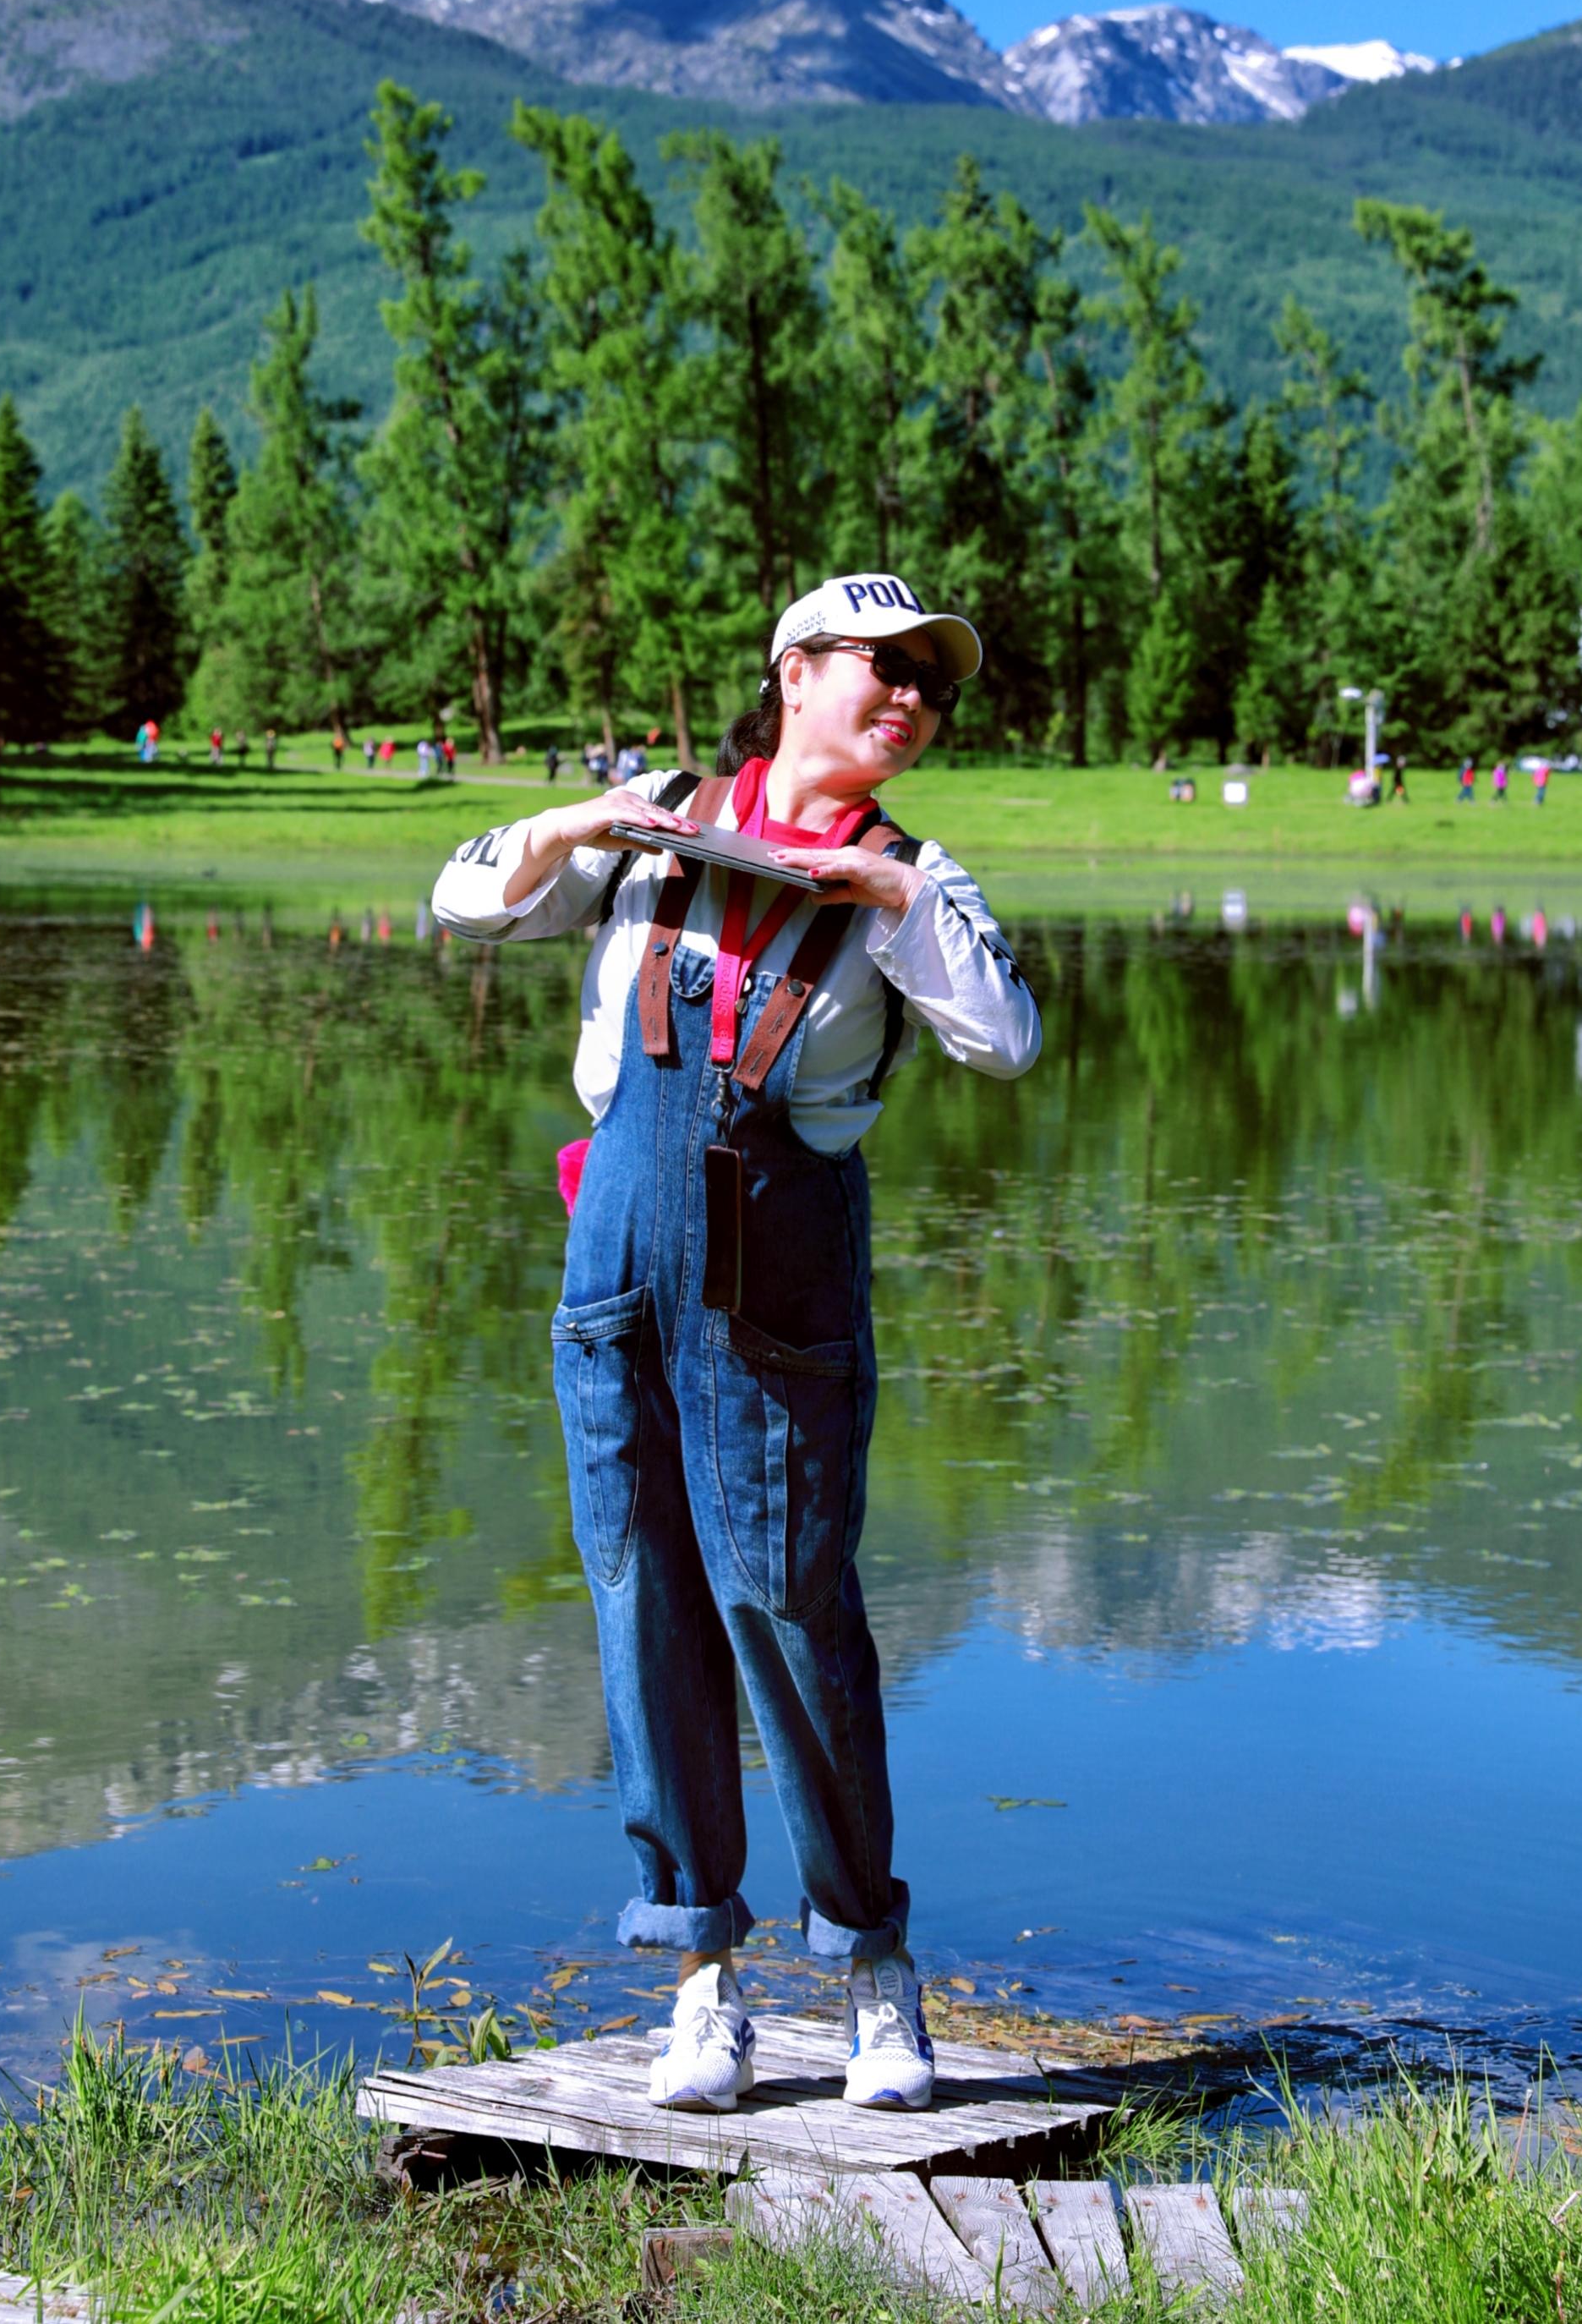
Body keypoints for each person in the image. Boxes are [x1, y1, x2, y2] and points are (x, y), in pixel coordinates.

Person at [431, 574, 1040, 2118]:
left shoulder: (914, 873)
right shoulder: (664, 820)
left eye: (930, 682)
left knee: (788, 1597)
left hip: (787, 1261)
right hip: (617, 1250)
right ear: (792, 673)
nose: (908, 696)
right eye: (880, 666)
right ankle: (702, 1975)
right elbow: (459, 895)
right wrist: (582, 825)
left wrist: (885, 905)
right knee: (643, 1594)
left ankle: (873, 1970)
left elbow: (1007, 1038)